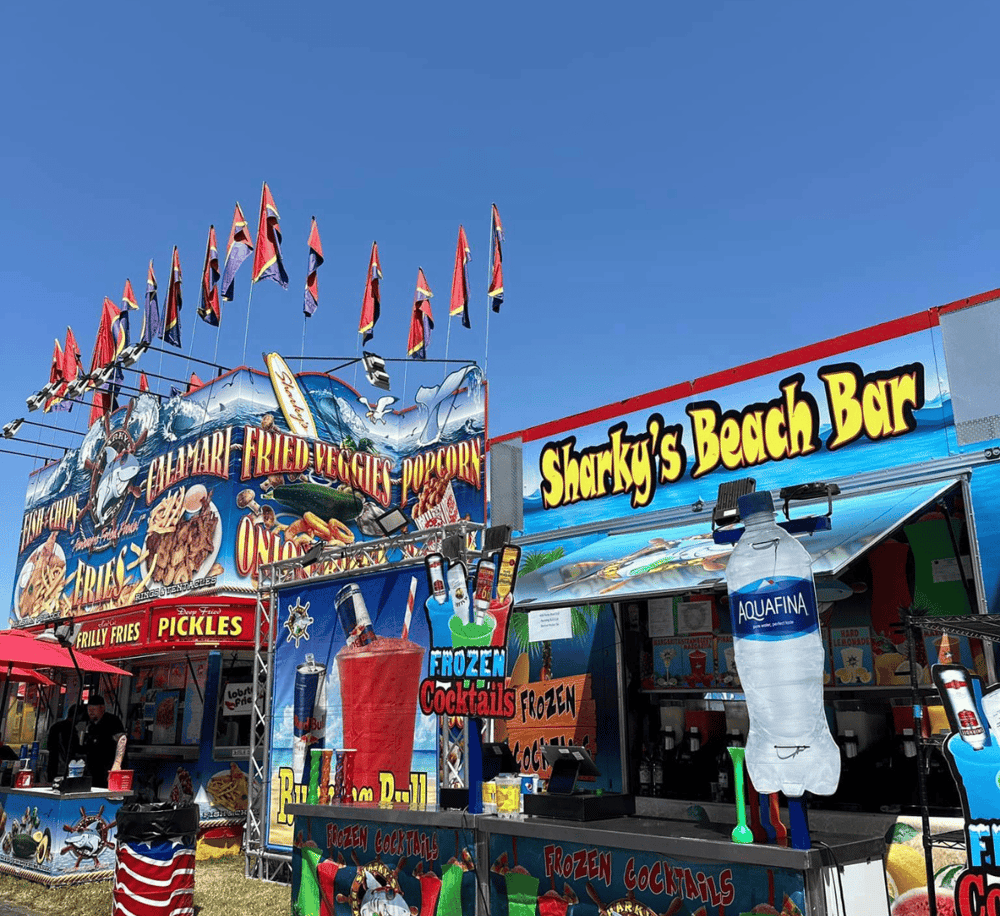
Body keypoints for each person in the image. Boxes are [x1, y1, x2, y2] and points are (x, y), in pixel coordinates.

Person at [82, 695, 125, 789]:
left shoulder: (112, 721)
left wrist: (117, 764)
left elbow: (122, 739)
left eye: (93, 709)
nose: (90, 712)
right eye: (89, 709)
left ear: (102, 708)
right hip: (93, 772)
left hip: (108, 770)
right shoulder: (91, 726)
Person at [46, 703, 84, 782]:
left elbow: (49, 746)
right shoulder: (71, 730)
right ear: (78, 716)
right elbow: (75, 748)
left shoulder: (55, 726)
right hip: (64, 767)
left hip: (52, 766)